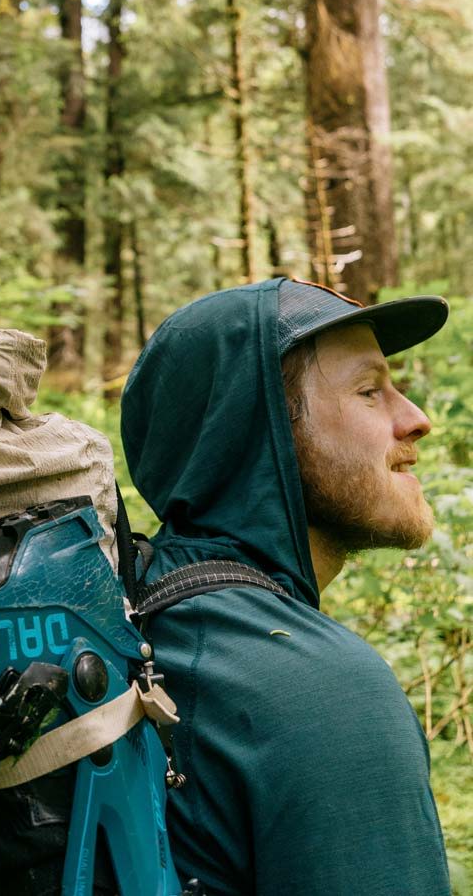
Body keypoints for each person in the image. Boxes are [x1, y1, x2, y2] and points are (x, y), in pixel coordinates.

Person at [120, 276, 453, 896]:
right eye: (369, 391)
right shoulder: (317, 688)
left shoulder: (135, 614)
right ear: (263, 429)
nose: (417, 420)